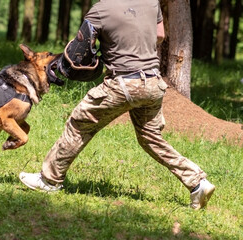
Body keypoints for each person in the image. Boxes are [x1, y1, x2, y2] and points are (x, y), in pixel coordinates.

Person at [19, 0, 215, 210]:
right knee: (151, 138)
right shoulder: (151, 2)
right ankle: (197, 182)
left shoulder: (101, 9)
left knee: (79, 124)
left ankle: (49, 180)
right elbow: (159, 36)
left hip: (122, 84)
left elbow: (80, 49)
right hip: (153, 82)